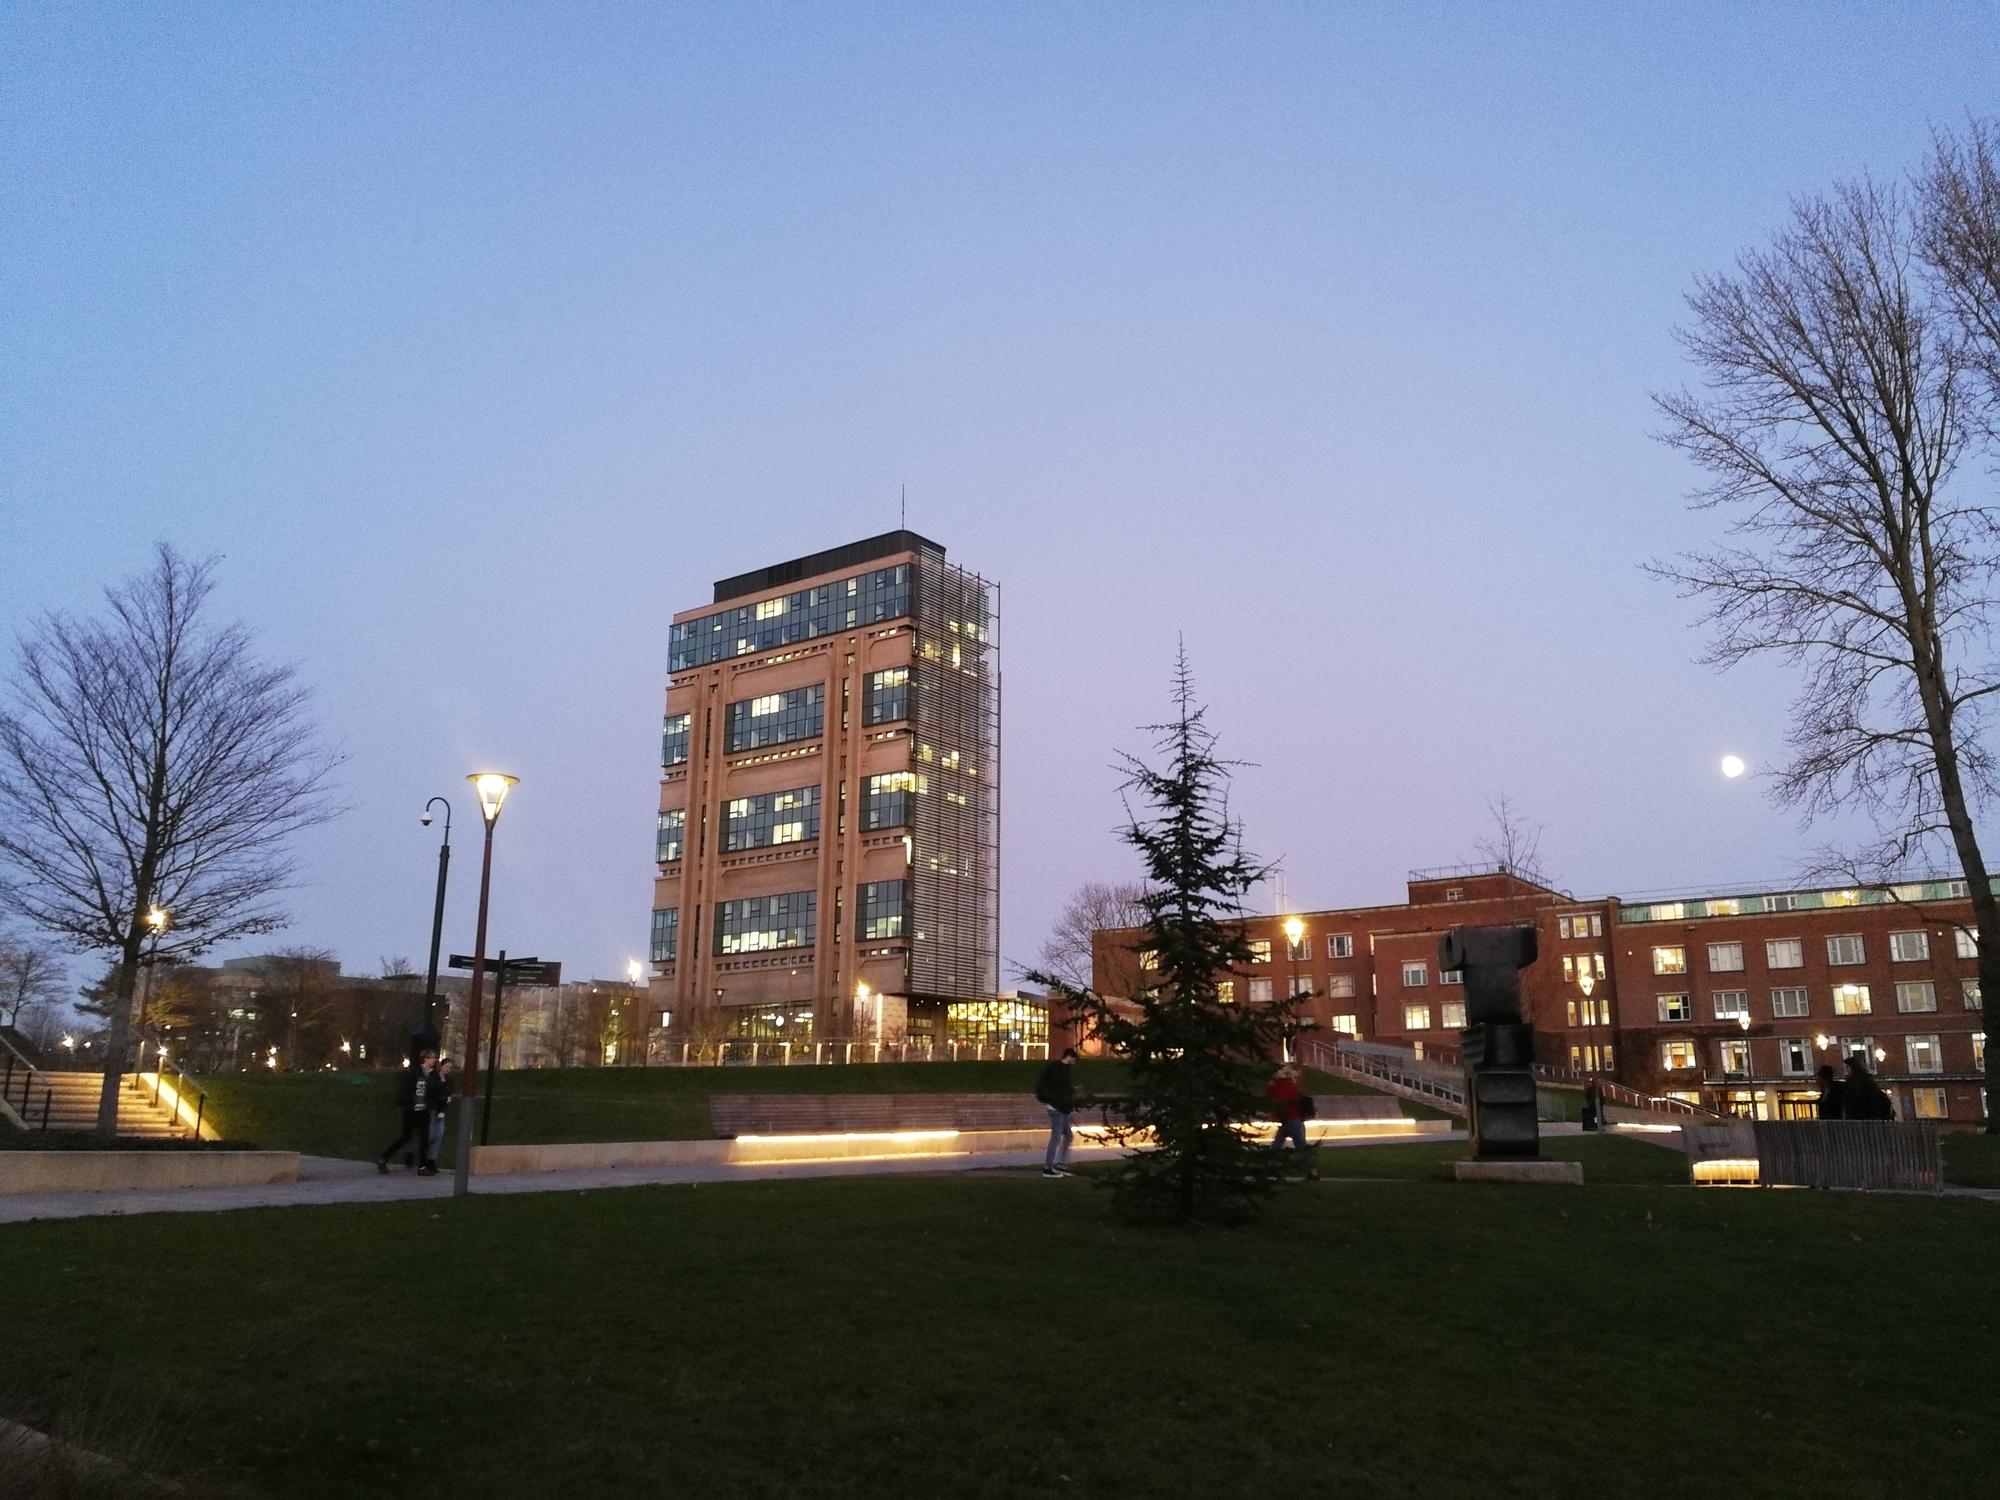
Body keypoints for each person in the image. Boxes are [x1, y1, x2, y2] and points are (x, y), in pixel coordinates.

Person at [377, 1050, 436, 1174]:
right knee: (406, 1137)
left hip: (424, 1111)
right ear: (424, 1059)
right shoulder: (414, 1073)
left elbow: (432, 1092)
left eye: (434, 1058)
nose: (434, 1060)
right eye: (431, 1058)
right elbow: (407, 1090)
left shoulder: (432, 1075)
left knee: (424, 1138)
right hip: (412, 1110)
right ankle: (383, 1158)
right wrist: (408, 1104)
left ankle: (422, 1167)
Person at [1034, 1047, 1078, 1178]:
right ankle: (1047, 1168)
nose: (1074, 1063)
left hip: (1062, 1107)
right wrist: (1053, 1100)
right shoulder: (1056, 1068)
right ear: (1070, 1057)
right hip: (1057, 1107)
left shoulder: (1065, 1069)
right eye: (1074, 1059)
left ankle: (1060, 1164)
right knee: (1056, 1137)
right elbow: (1052, 1087)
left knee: (1068, 1135)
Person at [1265, 1063, 1315, 1166]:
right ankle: (1271, 1167)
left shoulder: (1284, 1086)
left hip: (1291, 1120)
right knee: (1280, 1145)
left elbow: (1272, 1094)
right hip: (1289, 1120)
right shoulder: (1287, 1085)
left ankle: (1312, 1170)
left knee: (1298, 1146)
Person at [422, 1057, 456, 1176]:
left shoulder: (448, 1081)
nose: (448, 1069)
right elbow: (432, 1093)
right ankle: (425, 1161)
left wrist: (446, 1101)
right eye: (446, 1067)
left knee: (438, 1136)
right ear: (441, 1066)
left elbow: (448, 1094)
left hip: (441, 1111)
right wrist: (443, 1099)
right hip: (433, 1109)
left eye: (450, 1068)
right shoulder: (433, 1078)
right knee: (430, 1135)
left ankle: (432, 1160)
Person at [1841, 1055, 1896, 1120]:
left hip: (1862, 1118)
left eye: (1847, 1067)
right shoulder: (1868, 1081)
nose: (1845, 1071)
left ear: (1852, 1068)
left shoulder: (1854, 1084)